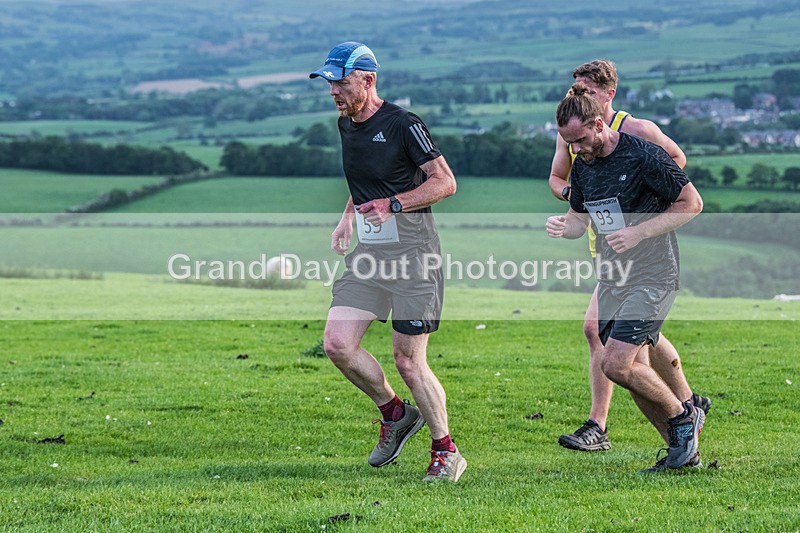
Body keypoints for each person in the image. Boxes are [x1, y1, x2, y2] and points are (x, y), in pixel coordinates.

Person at [309, 42, 466, 482]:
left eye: (341, 82)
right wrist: (346, 219)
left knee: (409, 362)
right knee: (338, 344)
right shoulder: (346, 124)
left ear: (368, 80)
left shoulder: (403, 124)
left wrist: (394, 205)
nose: (334, 92)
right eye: (330, 84)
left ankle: (446, 451)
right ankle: (395, 414)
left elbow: (445, 182)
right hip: (369, 258)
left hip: (415, 259)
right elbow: (363, 181)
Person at [547, 60, 710, 454]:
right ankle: (679, 449)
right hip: (613, 274)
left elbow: (692, 201)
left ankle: (682, 414)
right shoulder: (583, 163)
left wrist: (639, 224)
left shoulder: (640, 146)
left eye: (581, 142)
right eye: (571, 145)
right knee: (627, 364)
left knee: (617, 363)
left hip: (652, 270)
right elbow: (577, 216)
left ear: (601, 121)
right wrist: (563, 226)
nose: (576, 152)